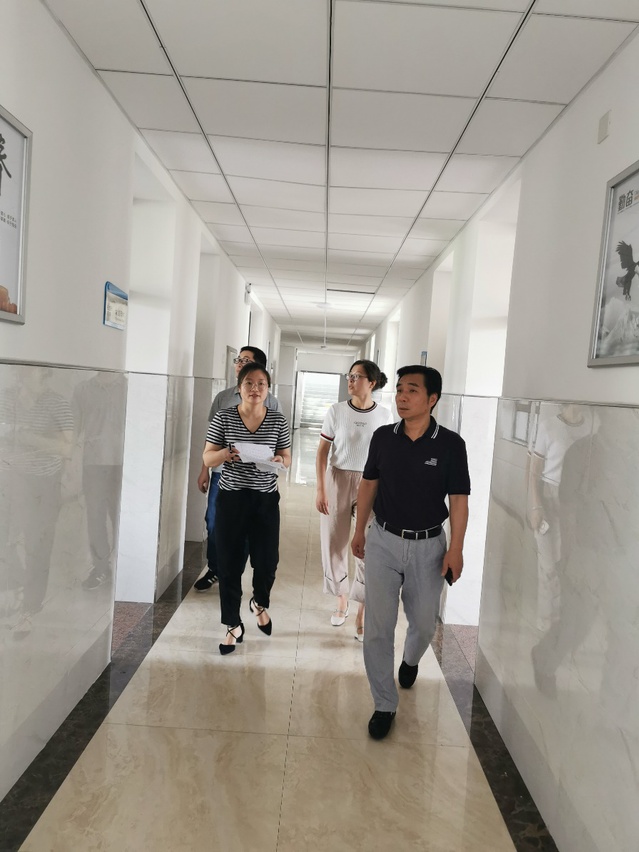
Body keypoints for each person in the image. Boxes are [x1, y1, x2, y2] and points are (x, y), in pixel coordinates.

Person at [351, 365, 470, 740]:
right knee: (378, 628)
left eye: (412, 390)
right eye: (400, 389)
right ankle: (384, 704)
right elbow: (368, 484)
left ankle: (411, 659)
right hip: (383, 541)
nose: (402, 396)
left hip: (429, 547)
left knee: (423, 623)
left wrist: (456, 549)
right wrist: (359, 529)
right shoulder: (383, 438)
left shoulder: (450, 445)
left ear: (432, 399)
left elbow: (459, 500)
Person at [203, 362, 291, 655]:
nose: (255, 389)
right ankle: (232, 624)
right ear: (239, 388)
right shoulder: (224, 417)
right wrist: (225, 454)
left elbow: (286, 456)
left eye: (261, 384)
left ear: (268, 389)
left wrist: (279, 461)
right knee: (229, 564)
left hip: (265, 500)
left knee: (267, 562)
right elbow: (207, 457)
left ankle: (259, 602)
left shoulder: (278, 420)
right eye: (249, 383)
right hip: (232, 499)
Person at [315, 360, 392, 640]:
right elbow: (322, 452)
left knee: (367, 546)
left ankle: (362, 609)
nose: (350, 380)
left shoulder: (385, 415)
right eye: (349, 376)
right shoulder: (336, 411)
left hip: (371, 482)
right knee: (333, 542)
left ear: (371, 382)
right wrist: (321, 489)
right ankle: (341, 599)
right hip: (337, 479)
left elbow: (388, 455)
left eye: (357, 376)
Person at [194, 346, 282, 592]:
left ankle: (233, 571)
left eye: (246, 360)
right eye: (238, 360)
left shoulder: (271, 402)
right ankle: (216, 568)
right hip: (223, 474)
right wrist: (204, 469)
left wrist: (275, 462)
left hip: (256, 479)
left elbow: (278, 444)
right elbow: (211, 440)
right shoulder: (223, 398)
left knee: (247, 528)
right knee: (213, 522)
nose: (240, 364)